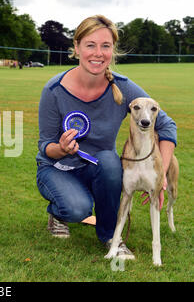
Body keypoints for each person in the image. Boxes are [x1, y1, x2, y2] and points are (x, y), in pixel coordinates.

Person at [35, 15, 176, 256]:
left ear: (113, 50)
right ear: (77, 48)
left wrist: (160, 174)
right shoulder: (54, 90)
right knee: (77, 209)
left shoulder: (124, 87)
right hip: (57, 167)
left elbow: (166, 125)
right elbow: (45, 145)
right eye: (90, 45)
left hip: (100, 169)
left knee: (110, 161)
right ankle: (58, 213)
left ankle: (111, 236)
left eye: (105, 46)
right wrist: (61, 148)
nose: (98, 53)